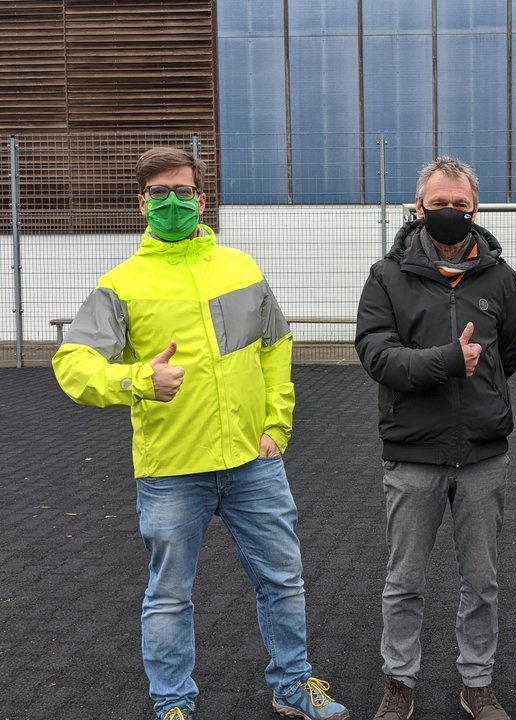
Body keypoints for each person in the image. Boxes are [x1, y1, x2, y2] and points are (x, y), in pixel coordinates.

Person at [52, 148, 349, 720]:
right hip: (170, 470)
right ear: (142, 204)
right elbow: (72, 363)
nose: (171, 202)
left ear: (203, 199)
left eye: (181, 192)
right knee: (169, 596)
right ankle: (172, 703)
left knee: (284, 582)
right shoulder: (122, 284)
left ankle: (293, 686)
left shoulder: (241, 268)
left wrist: (275, 427)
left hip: (252, 462)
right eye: (158, 193)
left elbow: (275, 348)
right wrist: (139, 378)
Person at [355, 157, 516, 720]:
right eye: (439, 204)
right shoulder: (387, 276)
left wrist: (480, 390)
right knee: (404, 580)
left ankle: (476, 681)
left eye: (461, 205)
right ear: (418, 207)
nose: (449, 212)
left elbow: (510, 356)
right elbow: (377, 356)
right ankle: (399, 681)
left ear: (475, 209)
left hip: (481, 453)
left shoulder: (500, 276)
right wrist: (448, 362)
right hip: (413, 452)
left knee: (482, 581)